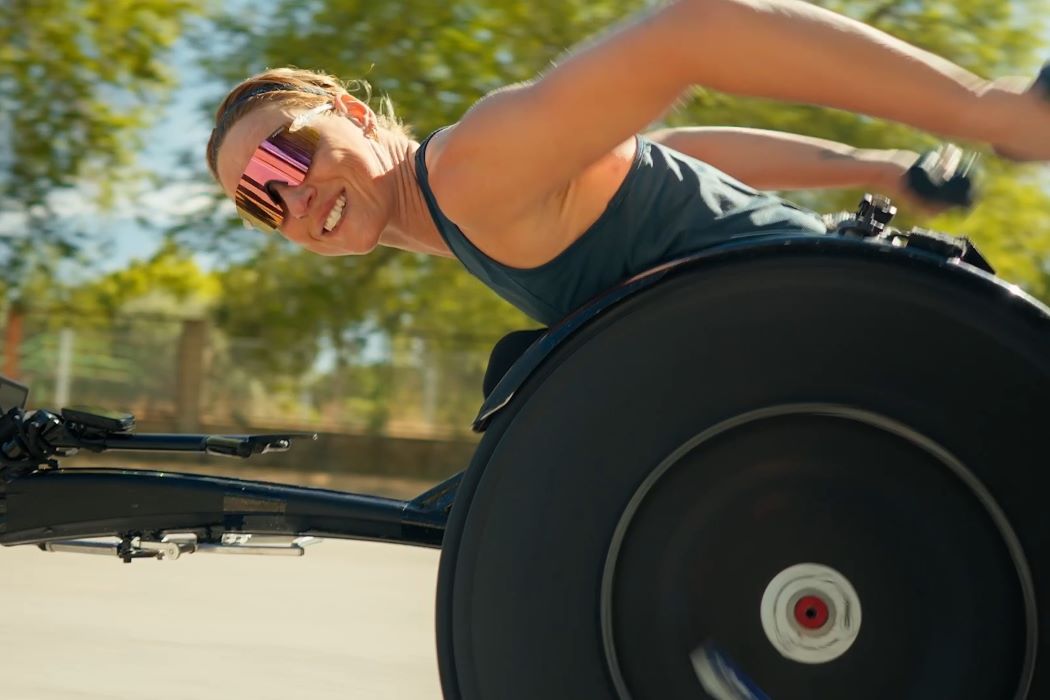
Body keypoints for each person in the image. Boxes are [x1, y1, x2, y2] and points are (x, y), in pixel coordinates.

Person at [206, 0, 1049, 326]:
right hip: (826, 313)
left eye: (289, 151)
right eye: (260, 197)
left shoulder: (469, 171)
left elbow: (694, 31)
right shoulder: (458, 216)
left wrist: (990, 113)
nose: (293, 194)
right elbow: (669, 159)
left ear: (353, 112)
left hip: (846, 324)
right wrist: (877, 166)